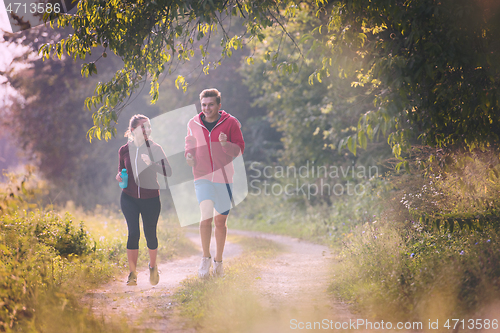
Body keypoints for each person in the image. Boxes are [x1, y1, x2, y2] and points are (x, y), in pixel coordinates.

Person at [185, 88, 245, 278]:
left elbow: (239, 150)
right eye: (203, 105)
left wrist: (226, 145)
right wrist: (189, 155)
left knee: (220, 221)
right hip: (202, 176)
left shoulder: (231, 123)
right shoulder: (193, 123)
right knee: (205, 215)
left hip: (224, 178)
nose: (207, 108)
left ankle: (218, 262)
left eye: (211, 105)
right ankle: (205, 259)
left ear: (219, 105)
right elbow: (190, 144)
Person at [116, 114, 172, 286]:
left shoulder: (155, 148)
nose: (147, 130)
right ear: (133, 130)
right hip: (129, 197)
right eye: (143, 127)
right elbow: (121, 170)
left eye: (148, 127)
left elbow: (167, 171)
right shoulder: (124, 150)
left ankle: (153, 267)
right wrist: (118, 176)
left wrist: (151, 164)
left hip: (150, 197)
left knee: (150, 234)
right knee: (133, 233)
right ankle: (132, 274)